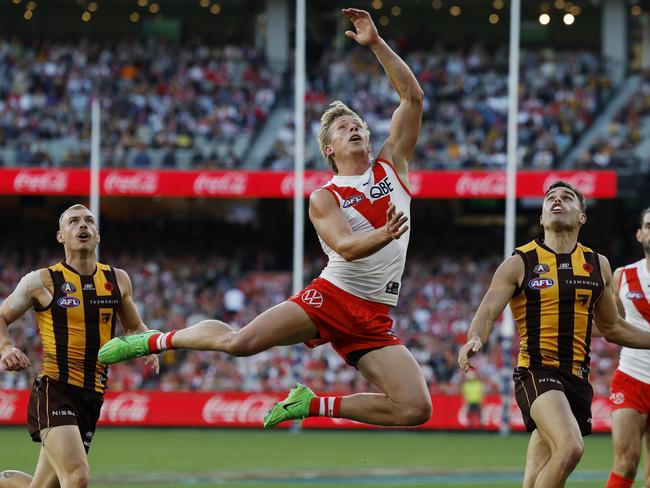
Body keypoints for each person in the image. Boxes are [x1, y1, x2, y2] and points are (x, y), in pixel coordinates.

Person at [99, 8, 431, 429]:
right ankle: (155, 339)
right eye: (344, 128)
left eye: (359, 127)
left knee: (415, 408)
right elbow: (346, 248)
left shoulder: (392, 166)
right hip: (334, 297)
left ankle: (311, 404)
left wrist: (376, 45)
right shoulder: (325, 196)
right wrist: (385, 232)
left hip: (375, 311)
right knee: (241, 343)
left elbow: (413, 98)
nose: (355, 131)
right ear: (328, 149)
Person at [457, 183, 650, 488]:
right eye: (550, 198)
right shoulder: (520, 262)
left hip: (576, 377)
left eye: (567, 197)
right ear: (543, 217)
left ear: (582, 217)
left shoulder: (597, 265)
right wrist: (475, 338)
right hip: (537, 371)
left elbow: (613, 328)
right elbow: (487, 313)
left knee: (536, 477)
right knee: (570, 447)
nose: (557, 200)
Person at [0, 204, 158, 488]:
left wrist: (149, 346)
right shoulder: (41, 281)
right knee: (77, 477)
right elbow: (2, 316)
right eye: (73, 221)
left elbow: (134, 327)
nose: (82, 225)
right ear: (60, 236)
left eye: (89, 221)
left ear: (98, 235)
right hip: (55, 389)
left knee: (48, 485)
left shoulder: (116, 279)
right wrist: (6, 347)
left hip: (92, 394)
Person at [605, 207, 650, 488]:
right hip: (631, 377)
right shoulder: (622, 276)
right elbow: (611, 324)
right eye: (649, 225)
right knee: (626, 461)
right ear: (639, 234)